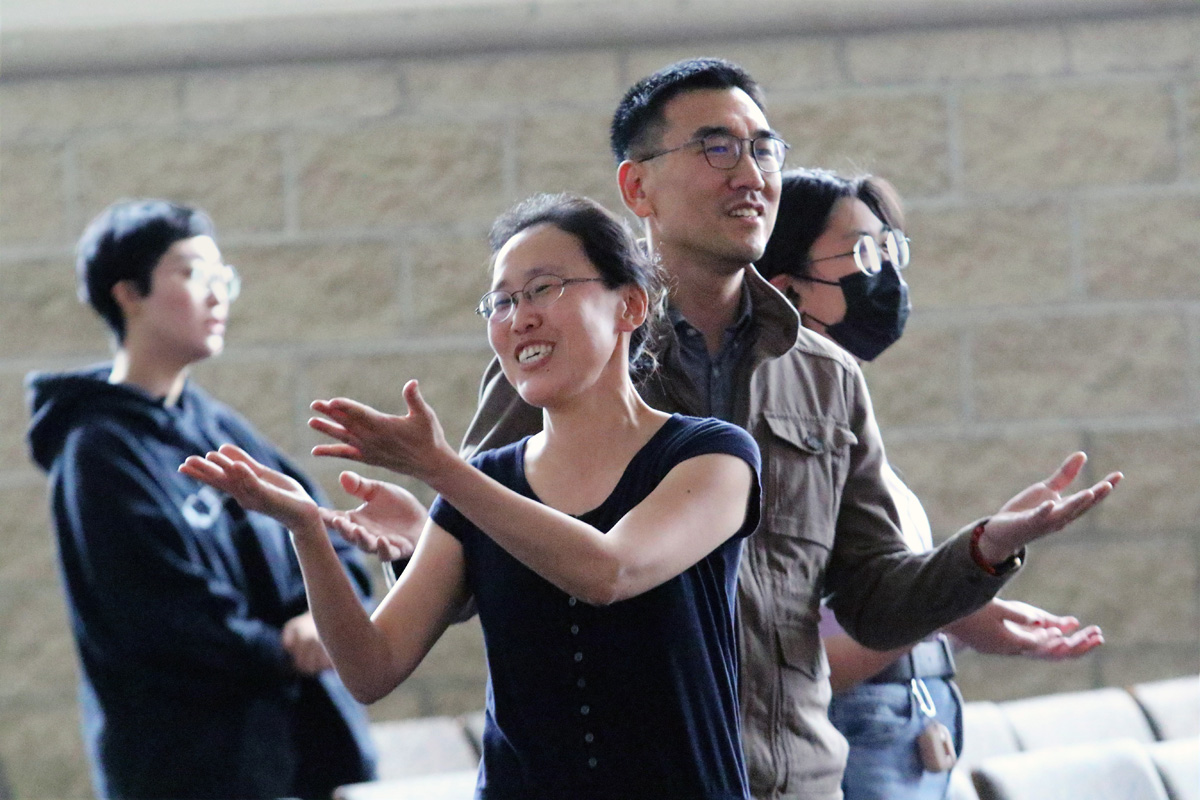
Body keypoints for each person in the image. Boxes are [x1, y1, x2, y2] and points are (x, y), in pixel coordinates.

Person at [327, 58, 1120, 799]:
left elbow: (875, 601)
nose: (751, 174)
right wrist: (422, 534)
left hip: (793, 777)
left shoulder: (825, 374)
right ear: (637, 188)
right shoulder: (561, 361)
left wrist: (980, 552)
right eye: (716, 149)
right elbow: (487, 565)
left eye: (762, 148)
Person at [181, 193, 763, 800]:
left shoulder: (713, 456)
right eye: (502, 301)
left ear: (630, 305)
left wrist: (438, 469)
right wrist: (304, 529)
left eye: (543, 288)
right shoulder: (482, 485)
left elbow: (609, 572)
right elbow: (370, 668)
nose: (519, 317)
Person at [754, 167, 1106, 800]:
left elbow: (873, 609)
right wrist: (953, 605)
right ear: (787, 290)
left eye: (890, 249)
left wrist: (963, 597)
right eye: (862, 254)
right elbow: (785, 665)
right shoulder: (768, 439)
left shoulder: (846, 425)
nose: (885, 274)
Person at [25, 199, 378, 800]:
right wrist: (286, 650)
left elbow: (319, 524)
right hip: (191, 767)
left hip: (295, 752)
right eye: (191, 274)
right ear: (127, 293)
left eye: (222, 277)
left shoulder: (217, 426)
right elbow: (160, 618)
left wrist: (322, 619)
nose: (217, 295)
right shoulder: (97, 450)